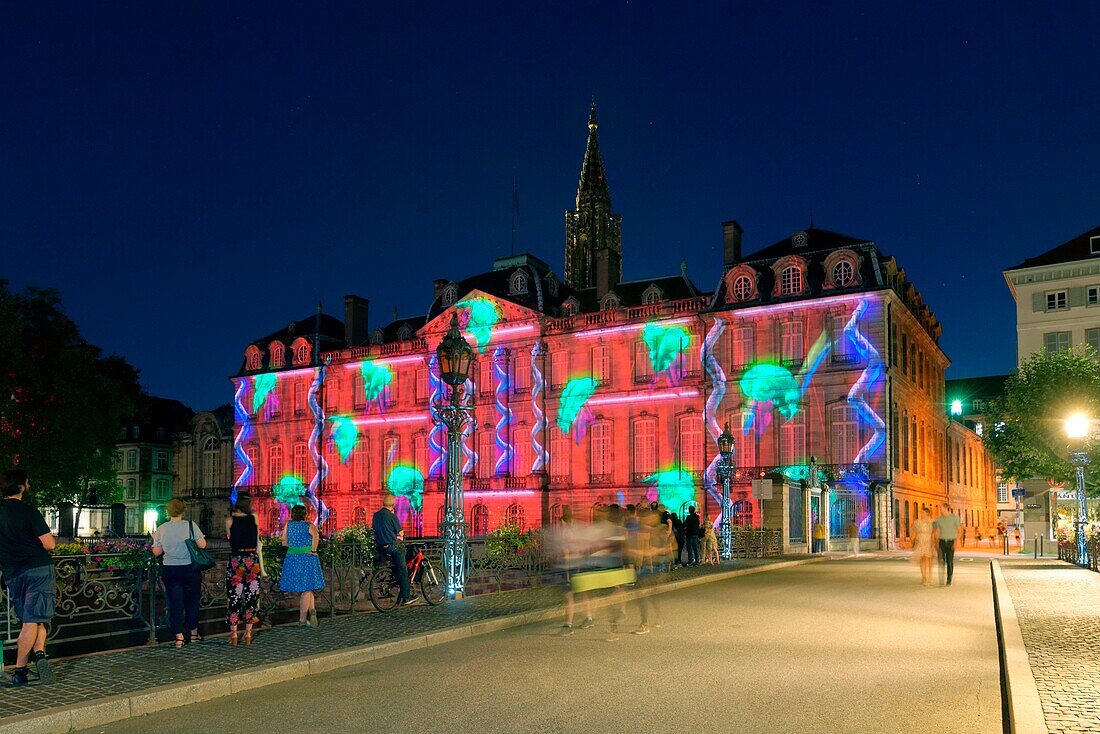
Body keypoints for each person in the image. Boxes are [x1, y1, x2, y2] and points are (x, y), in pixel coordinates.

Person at [0, 469, 57, 686]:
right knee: (33, 620)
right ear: (22, 486)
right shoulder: (29, 511)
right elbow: (49, 544)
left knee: (33, 618)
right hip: (38, 570)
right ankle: (20, 669)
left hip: (13, 573)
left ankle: (41, 654)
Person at [152, 497, 207, 647]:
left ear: (168, 511)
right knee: (192, 602)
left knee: (175, 603)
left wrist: (155, 540)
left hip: (170, 569)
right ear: (183, 510)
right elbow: (202, 545)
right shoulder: (190, 525)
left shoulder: (162, 528)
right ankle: (193, 634)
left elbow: (157, 552)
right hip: (189, 568)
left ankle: (179, 637)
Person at [225, 495, 264, 645]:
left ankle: (234, 634)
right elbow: (257, 536)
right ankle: (248, 633)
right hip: (252, 560)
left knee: (234, 597)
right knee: (251, 596)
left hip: (236, 560)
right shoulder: (254, 517)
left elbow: (230, 538)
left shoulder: (229, 520)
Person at [279, 504, 325, 626]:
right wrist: (314, 550)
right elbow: (316, 535)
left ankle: (312, 612)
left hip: (292, 557)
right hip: (307, 556)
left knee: (307, 588)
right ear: (305, 514)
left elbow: (284, 542)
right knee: (307, 588)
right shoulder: (308, 525)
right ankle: (303, 619)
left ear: (292, 514)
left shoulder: (288, 525)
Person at [372, 494, 419, 606]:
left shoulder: (376, 515)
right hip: (392, 547)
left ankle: (396, 579)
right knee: (403, 569)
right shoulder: (392, 516)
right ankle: (407, 597)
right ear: (393, 505)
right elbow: (400, 533)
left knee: (397, 565)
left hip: (380, 548)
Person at [933, 505, 961, 586]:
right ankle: (941, 578)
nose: (940, 510)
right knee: (941, 560)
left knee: (949, 561)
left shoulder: (955, 518)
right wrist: (936, 542)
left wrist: (956, 542)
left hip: (951, 542)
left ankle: (949, 579)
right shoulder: (939, 519)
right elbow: (937, 531)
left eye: (942, 508)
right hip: (942, 541)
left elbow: (959, 530)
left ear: (947, 509)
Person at [910, 507, 936, 586]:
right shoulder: (918, 522)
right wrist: (913, 540)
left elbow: (934, 533)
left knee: (928, 560)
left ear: (927, 513)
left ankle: (929, 577)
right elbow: (914, 532)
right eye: (921, 513)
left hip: (928, 541)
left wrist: (933, 541)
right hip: (920, 541)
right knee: (922, 559)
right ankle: (924, 577)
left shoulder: (932, 522)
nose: (921, 514)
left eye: (923, 513)